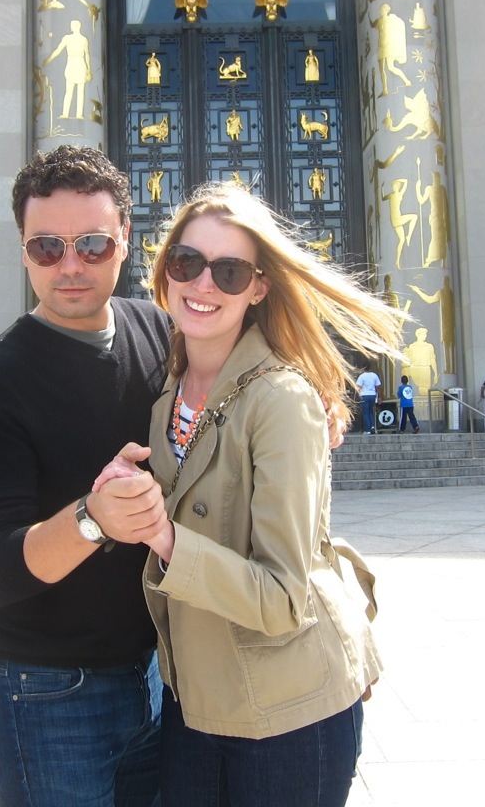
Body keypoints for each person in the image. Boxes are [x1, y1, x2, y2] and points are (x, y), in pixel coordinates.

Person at [93, 182, 405, 807]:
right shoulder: (166, 403)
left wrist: (162, 536)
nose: (203, 285)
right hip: (194, 708)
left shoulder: (281, 400)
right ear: (165, 271)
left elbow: (285, 597)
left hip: (289, 715)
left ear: (259, 287)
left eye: (229, 271)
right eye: (187, 263)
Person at [0, 145, 173, 807]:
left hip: (156, 672)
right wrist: (92, 519)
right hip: (42, 690)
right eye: (47, 247)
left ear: (125, 241)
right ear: (23, 250)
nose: (69, 266)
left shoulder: (158, 331)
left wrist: (317, 399)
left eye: (92, 245)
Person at [357, 362, 382, 434]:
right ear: (370, 368)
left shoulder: (361, 376)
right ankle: (372, 427)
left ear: (363, 368)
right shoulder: (374, 375)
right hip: (372, 395)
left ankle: (367, 430)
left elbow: (359, 387)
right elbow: (378, 387)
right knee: (371, 411)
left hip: (364, 395)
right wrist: (379, 397)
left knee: (365, 413)